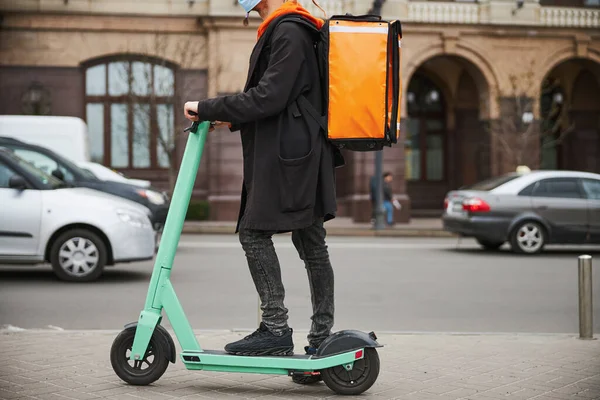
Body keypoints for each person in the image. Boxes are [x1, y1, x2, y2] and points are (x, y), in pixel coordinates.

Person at [183, 0, 340, 382]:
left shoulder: (288, 30)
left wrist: (206, 106)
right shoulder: (291, 27)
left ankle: (276, 329)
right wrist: (226, 116)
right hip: (298, 154)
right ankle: (319, 340)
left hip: (292, 159)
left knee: (256, 234)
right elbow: (283, 99)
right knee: (311, 244)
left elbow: (270, 96)